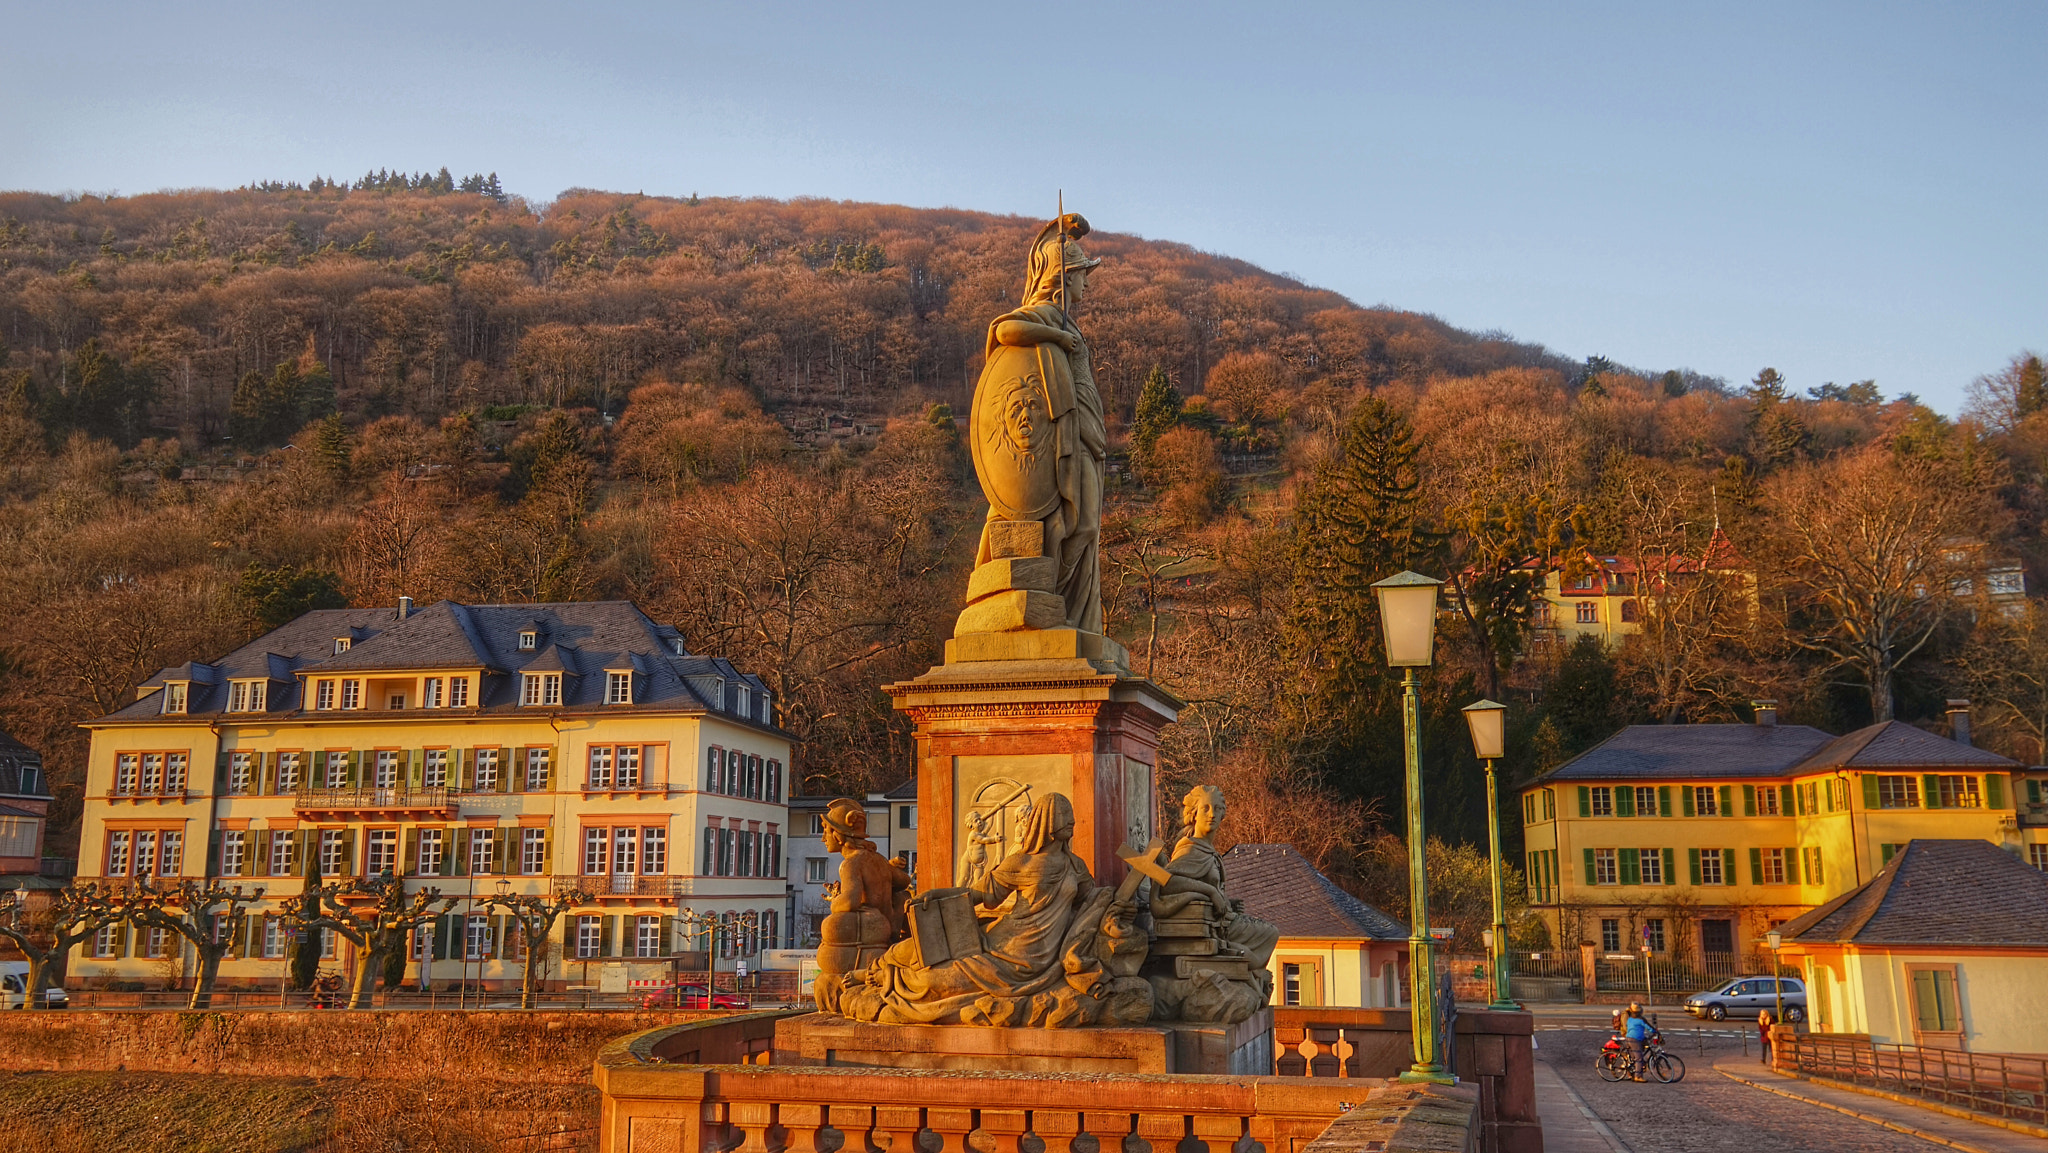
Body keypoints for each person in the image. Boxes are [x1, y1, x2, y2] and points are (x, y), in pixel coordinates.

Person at [968, 214, 1107, 632]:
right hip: (1063, 434)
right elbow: (1005, 329)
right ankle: (1054, 603)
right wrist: (1059, 339)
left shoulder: (1065, 318)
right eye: (1082, 274)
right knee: (1079, 523)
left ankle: (1069, 614)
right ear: (1063, 278)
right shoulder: (1046, 316)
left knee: (1086, 526)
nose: (1087, 283)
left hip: (1086, 435)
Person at [1624, 1002, 1653, 1081]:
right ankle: (1638, 1076)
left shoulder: (1630, 1019)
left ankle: (1631, 1073)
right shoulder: (1640, 1020)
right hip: (1635, 1040)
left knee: (1633, 1057)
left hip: (1628, 1038)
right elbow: (1649, 1028)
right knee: (1639, 1058)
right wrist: (1655, 1031)